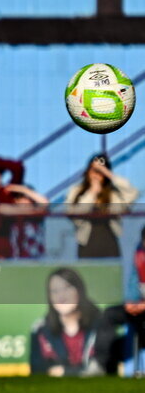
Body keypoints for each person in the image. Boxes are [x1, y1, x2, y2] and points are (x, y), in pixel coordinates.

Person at [30, 267, 104, 377]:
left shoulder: (101, 323)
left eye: (67, 288)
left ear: (79, 290)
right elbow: (38, 370)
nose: (61, 297)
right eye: (55, 291)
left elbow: (104, 367)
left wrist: (66, 372)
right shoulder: (41, 329)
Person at [64, 154, 139, 259]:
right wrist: (92, 193)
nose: (96, 175)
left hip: (110, 243)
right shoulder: (76, 191)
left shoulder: (114, 193)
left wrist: (109, 175)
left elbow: (132, 193)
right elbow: (74, 213)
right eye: (93, 170)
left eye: (100, 171)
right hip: (87, 244)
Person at [94, 226, 145, 374]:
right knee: (109, 315)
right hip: (139, 310)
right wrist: (130, 302)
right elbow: (133, 286)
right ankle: (102, 365)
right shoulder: (139, 256)